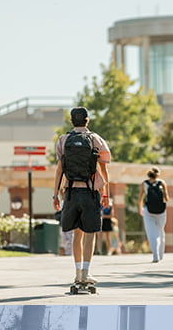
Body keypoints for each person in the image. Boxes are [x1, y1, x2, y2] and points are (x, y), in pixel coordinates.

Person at [53, 107, 111, 284]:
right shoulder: (95, 139)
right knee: (90, 232)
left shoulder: (63, 140)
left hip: (70, 192)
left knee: (77, 233)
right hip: (90, 192)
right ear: (88, 120)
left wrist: (55, 194)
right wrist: (106, 194)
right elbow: (104, 168)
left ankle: (78, 273)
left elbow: (60, 169)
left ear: (72, 121)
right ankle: (86, 272)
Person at [139, 167, 169, 263]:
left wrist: (140, 209)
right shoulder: (162, 183)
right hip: (161, 211)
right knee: (160, 232)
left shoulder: (144, 184)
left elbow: (140, 198)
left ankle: (155, 256)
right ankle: (161, 255)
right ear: (157, 174)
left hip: (149, 211)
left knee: (152, 233)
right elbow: (166, 198)